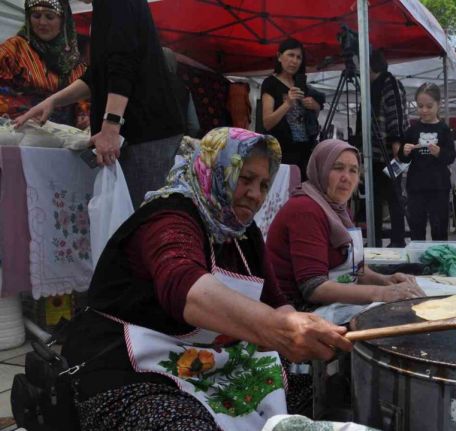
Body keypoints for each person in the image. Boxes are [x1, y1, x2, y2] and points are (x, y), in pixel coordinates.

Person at [61, 128, 352, 430]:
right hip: (130, 373)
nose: (255, 194)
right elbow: (185, 286)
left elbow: (276, 302)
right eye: (245, 178)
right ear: (215, 169)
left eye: (265, 184)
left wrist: (303, 328)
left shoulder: (243, 234)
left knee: (332, 397)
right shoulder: (168, 216)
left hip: (208, 368)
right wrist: (277, 329)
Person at [14, 0, 185, 209]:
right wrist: (52, 102)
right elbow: (97, 75)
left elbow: (123, 63)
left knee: (142, 223)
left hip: (145, 135)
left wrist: (111, 127)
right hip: (140, 134)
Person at [266, 139, 424, 324]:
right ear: (321, 168)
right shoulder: (305, 209)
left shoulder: (338, 209)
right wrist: (383, 293)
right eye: (338, 168)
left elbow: (354, 271)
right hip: (298, 313)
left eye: (353, 170)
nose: (346, 177)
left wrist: (386, 280)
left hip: (331, 306)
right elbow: (314, 288)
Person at [0, 0, 88, 126]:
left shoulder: (72, 57)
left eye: (50, 17)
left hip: (64, 136)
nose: (42, 22)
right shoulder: (13, 49)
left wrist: (83, 114)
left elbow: (83, 95)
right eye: (36, 16)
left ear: (63, 21)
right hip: (20, 127)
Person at [398, 83, 456, 240]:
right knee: (416, 228)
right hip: (416, 187)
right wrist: (404, 151)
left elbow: (451, 156)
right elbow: (403, 158)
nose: (424, 110)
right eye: (420, 106)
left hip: (439, 187)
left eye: (429, 106)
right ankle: (418, 262)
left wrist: (440, 153)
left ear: (439, 105)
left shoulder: (444, 129)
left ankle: (439, 259)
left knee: (439, 227)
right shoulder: (412, 130)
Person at [261, 38, 323, 179]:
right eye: (290, 55)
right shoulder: (271, 83)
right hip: (281, 153)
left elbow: (308, 121)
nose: (294, 61)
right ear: (279, 56)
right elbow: (267, 122)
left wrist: (316, 107)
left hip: (305, 152)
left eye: (298, 57)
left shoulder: (301, 85)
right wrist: (287, 103)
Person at [368, 48, 409, 247]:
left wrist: (396, 144)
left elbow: (397, 114)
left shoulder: (389, 83)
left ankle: (397, 240)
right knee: (375, 199)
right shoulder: (373, 85)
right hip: (374, 154)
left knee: (393, 197)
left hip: (388, 153)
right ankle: (375, 240)